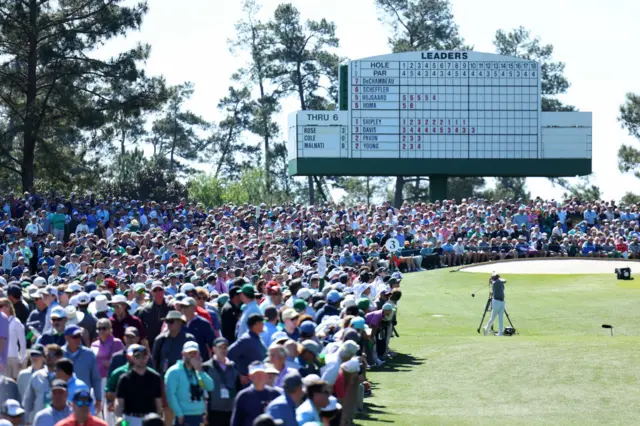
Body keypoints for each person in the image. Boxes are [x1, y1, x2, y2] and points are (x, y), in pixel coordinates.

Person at [164, 341, 214, 426]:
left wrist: (200, 371)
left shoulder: (198, 371)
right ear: (183, 354)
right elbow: (171, 395)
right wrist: (179, 414)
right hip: (184, 416)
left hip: (199, 416)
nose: (192, 356)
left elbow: (210, 387)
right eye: (189, 353)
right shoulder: (174, 371)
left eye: (195, 353)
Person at [115, 344, 163, 426]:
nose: (141, 359)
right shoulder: (124, 379)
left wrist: (159, 419)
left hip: (150, 420)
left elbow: (158, 402)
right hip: (129, 420)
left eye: (144, 356)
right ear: (132, 358)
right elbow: (119, 403)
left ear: (147, 357)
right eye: (138, 356)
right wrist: (120, 420)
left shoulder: (155, 378)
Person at [63, 325, 102, 413]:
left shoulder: (89, 354)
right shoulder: (60, 353)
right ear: (66, 337)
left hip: (84, 400)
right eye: (75, 337)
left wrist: (98, 399)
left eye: (79, 336)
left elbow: (95, 378)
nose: (78, 339)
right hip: (64, 401)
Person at [230, 362, 281, 426]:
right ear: (250, 377)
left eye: (261, 374)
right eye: (256, 374)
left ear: (265, 375)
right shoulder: (243, 396)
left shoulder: (275, 394)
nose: (259, 377)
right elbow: (236, 421)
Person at [23, 344, 63, 424]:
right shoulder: (36, 376)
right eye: (46, 355)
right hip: (40, 421)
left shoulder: (64, 376)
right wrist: (26, 421)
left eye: (52, 355)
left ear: (59, 357)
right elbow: (28, 402)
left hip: (59, 421)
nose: (48, 357)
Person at [202, 337, 238, 426]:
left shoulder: (233, 366)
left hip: (230, 410)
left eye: (225, 347)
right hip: (213, 411)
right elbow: (203, 390)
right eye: (220, 347)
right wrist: (204, 412)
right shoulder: (206, 367)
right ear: (214, 349)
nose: (223, 350)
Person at [151, 311, 195, 377]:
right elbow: (154, 360)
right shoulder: (160, 339)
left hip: (185, 377)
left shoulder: (189, 339)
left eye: (171, 321)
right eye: (167, 321)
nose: (169, 324)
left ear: (180, 322)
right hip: (165, 377)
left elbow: (194, 358)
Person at [227, 314, 267, 387]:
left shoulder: (256, 337)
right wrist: (240, 373)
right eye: (262, 322)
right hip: (249, 382)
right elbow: (228, 354)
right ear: (256, 325)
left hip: (259, 380)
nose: (263, 324)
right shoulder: (246, 339)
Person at [176, 297, 214, 362]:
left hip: (200, 361)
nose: (184, 309)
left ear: (194, 308)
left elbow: (212, 344)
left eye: (186, 306)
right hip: (182, 362)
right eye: (182, 306)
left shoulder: (204, 323)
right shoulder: (178, 323)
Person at [136, 281, 170, 348]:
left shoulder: (171, 308)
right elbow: (139, 330)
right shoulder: (144, 310)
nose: (158, 292)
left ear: (164, 291)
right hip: (151, 347)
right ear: (151, 292)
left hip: (168, 346)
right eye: (155, 290)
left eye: (160, 289)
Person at [0, 298, 27, 380]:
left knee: (14, 384)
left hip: (14, 358)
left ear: (8, 307)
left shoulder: (16, 322)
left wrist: (22, 360)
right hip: (2, 359)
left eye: (1, 306)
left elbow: (22, 343)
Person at [484, 272, 506, 336]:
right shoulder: (497, 282)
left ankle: (500, 333)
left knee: (499, 318)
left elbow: (502, 282)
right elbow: (503, 282)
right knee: (493, 317)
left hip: (501, 302)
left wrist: (491, 280)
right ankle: (487, 329)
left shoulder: (496, 282)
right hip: (497, 302)